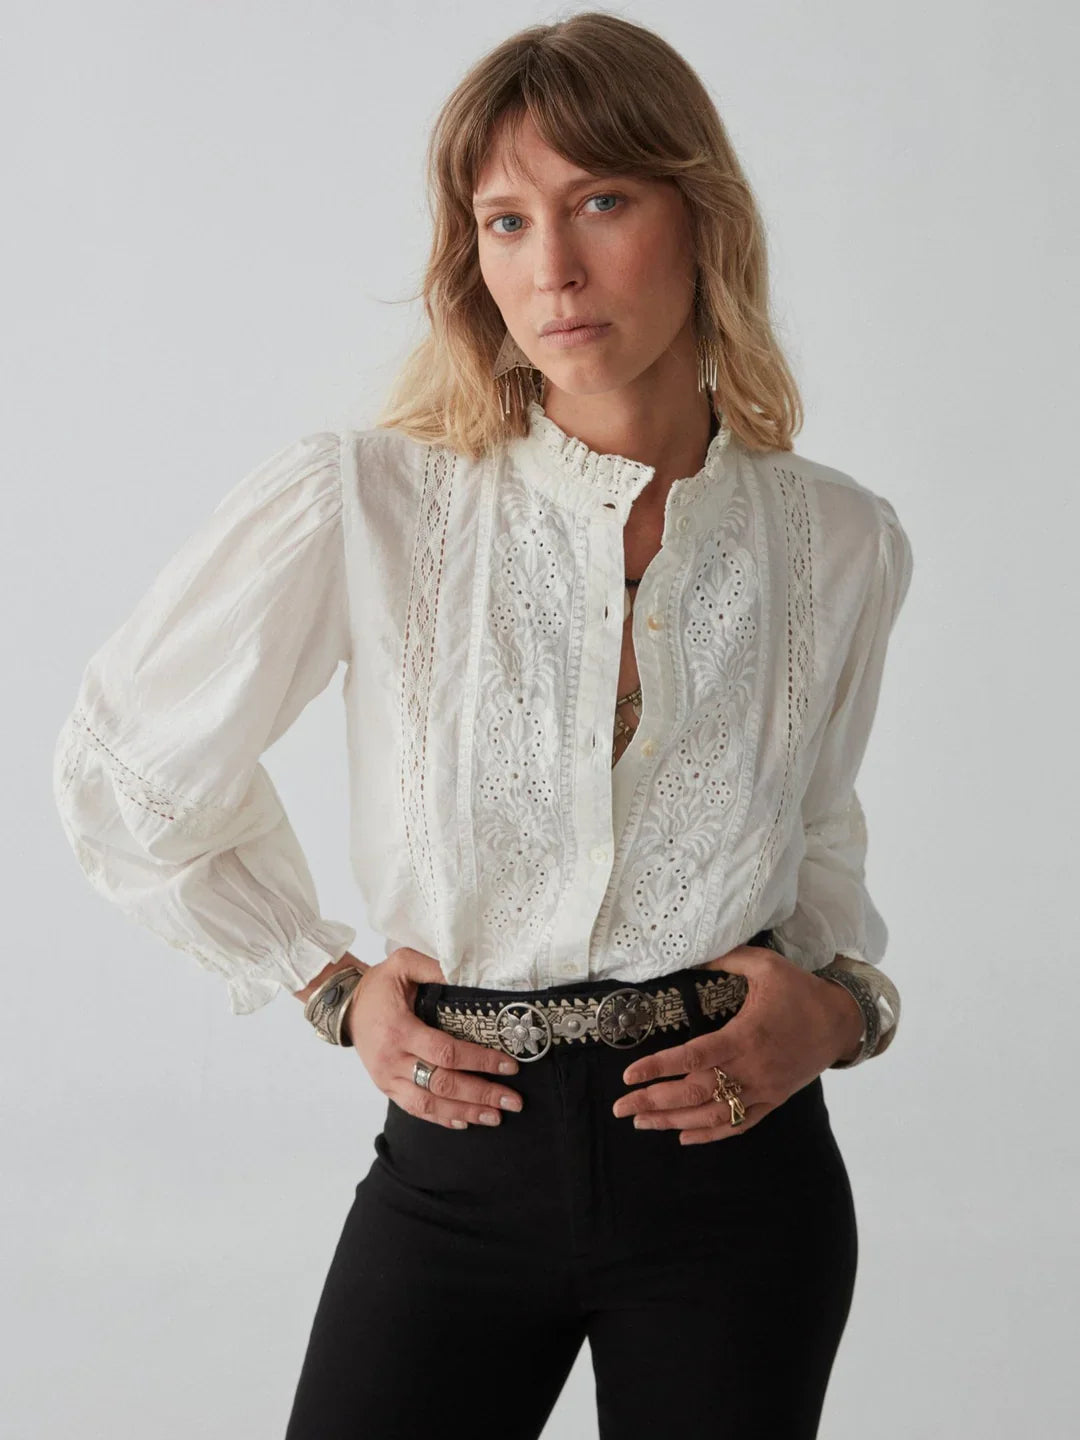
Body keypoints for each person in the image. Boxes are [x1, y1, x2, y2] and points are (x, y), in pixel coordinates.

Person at [52, 13, 914, 1439]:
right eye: (505, 221)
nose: (552, 268)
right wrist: (323, 980)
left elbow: (818, 842)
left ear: (701, 215)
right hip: (460, 1167)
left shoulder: (838, 539)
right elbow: (127, 765)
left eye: (601, 203)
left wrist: (843, 1010)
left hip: (739, 1176)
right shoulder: (368, 503)